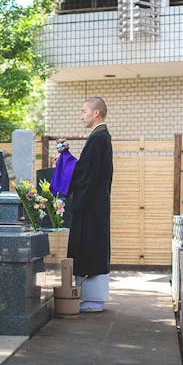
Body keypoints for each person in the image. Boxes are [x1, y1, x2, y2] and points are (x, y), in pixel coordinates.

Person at [67, 97, 113, 313]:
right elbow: (87, 170)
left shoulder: (99, 138)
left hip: (90, 206)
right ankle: (90, 298)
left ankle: (92, 299)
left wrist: (68, 171)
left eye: (84, 110)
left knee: (89, 247)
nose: (81, 115)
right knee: (92, 247)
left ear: (96, 113)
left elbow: (88, 174)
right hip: (95, 204)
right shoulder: (100, 136)